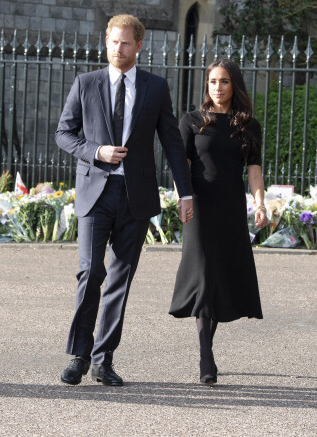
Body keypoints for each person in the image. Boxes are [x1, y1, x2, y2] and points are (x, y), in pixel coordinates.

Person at [55, 14, 193, 386]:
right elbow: (64, 134)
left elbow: (172, 144)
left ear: (139, 46)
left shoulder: (155, 86)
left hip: (136, 196)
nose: (119, 49)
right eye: (113, 42)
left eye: (126, 43)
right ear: (106, 43)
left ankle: (104, 359)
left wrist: (185, 191)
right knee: (90, 272)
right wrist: (96, 150)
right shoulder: (86, 83)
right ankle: (80, 355)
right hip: (95, 193)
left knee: (120, 278)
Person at [169, 58, 268, 385]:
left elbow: (253, 168)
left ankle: (206, 348)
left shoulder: (248, 125)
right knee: (203, 276)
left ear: (234, 85)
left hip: (229, 205)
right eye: (213, 81)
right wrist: (182, 196)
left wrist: (260, 203)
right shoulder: (192, 121)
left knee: (220, 276)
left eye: (224, 81)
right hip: (198, 204)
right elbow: (180, 162)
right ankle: (205, 356)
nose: (218, 87)